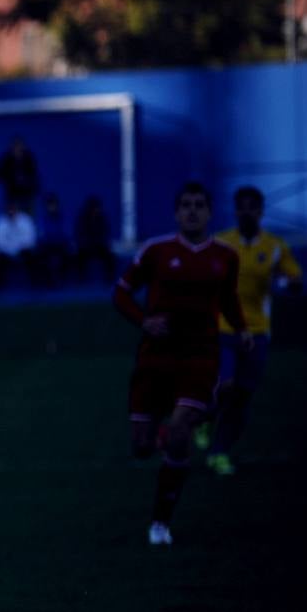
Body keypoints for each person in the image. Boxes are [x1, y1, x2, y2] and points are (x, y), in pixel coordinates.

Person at [113, 181, 248, 546]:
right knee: (141, 447)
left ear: (209, 212)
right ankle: (163, 434)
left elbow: (229, 300)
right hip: (154, 359)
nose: (192, 211)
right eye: (185, 204)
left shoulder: (225, 256)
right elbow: (121, 292)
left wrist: (241, 329)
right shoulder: (156, 251)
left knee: (179, 431)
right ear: (176, 212)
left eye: (199, 205)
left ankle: (160, 524)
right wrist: (144, 320)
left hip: (199, 357)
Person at [199, 186, 304, 475]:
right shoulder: (221, 242)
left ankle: (218, 452)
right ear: (235, 211)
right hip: (224, 327)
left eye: (251, 207)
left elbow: (294, 279)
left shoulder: (274, 246)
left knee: (242, 398)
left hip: (257, 331)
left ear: (260, 211)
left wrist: (288, 284)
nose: (246, 212)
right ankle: (206, 419)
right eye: (241, 207)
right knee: (225, 385)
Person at [0, 201, 38, 289]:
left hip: (22, 249)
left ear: (17, 210)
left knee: (32, 256)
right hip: (5, 251)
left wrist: (18, 248)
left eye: (13, 210)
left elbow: (30, 239)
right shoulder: (0, 222)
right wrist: (10, 250)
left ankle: (34, 285)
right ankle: (0, 287)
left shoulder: (26, 220)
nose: (11, 212)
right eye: (9, 210)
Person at [75, 195, 116, 283]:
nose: (96, 210)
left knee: (110, 257)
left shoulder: (102, 219)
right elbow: (80, 233)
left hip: (99, 246)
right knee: (79, 256)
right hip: (87, 246)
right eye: (94, 207)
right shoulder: (83, 219)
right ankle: (80, 279)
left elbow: (105, 233)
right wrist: (87, 242)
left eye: (97, 207)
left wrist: (101, 242)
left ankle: (109, 279)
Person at [0, 136, 40, 211]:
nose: (17, 148)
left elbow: (34, 175)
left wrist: (26, 180)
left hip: (27, 194)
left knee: (27, 216)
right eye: (15, 146)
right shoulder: (7, 159)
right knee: (12, 217)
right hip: (12, 195)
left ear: (23, 146)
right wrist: (12, 177)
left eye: (19, 146)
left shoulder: (28, 158)